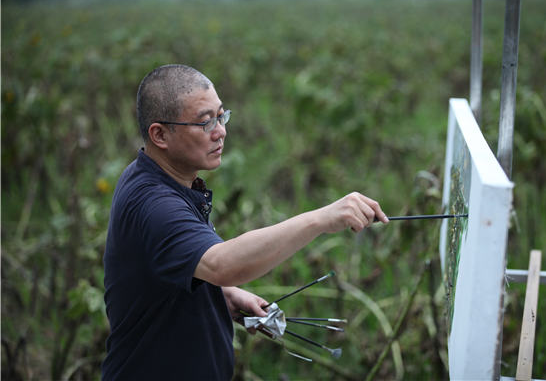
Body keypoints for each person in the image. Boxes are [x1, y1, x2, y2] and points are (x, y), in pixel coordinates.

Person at [102, 64, 388, 380]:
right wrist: (321, 218)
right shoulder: (154, 204)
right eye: (204, 122)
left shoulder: (157, 177)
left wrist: (219, 295)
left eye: (221, 116)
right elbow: (223, 264)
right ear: (159, 134)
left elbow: (174, 272)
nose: (220, 130)